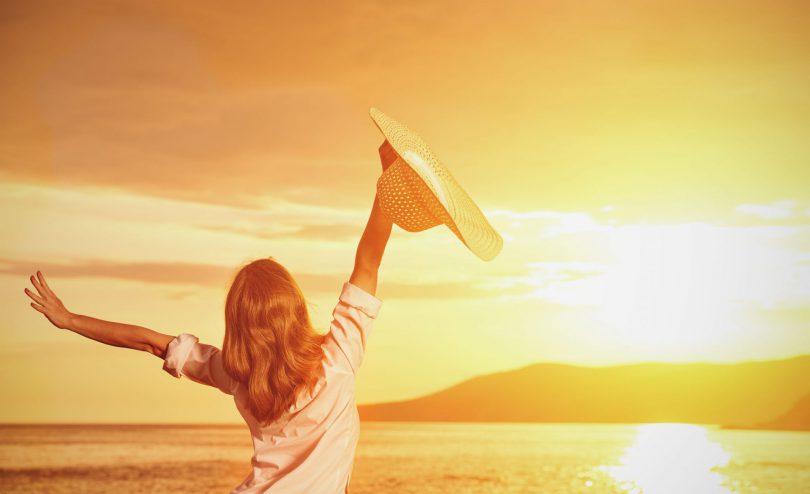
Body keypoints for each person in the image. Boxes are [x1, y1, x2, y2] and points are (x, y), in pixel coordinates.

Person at [24, 141, 399, 493]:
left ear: (237, 322)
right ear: (295, 308)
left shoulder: (236, 374)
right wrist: (389, 179)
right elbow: (368, 260)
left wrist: (70, 319)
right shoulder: (338, 358)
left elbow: (149, 342)